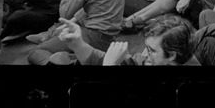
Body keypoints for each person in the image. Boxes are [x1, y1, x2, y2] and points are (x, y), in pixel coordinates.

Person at [58, 14, 199, 66]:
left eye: (151, 50)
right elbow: (101, 59)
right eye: (146, 47)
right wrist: (78, 44)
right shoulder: (156, 61)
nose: (145, 53)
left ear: (172, 55)